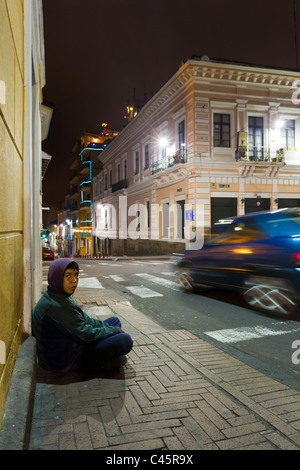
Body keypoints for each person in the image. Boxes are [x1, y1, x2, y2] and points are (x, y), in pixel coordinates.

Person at [32, 258, 133, 373]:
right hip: (65, 360)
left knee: (114, 321)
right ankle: (100, 362)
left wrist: (110, 329)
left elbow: (86, 320)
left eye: (76, 275)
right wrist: (114, 331)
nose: (74, 280)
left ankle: (108, 357)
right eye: (68, 276)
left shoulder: (58, 294)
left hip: (72, 342)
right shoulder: (56, 305)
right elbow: (85, 334)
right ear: (57, 277)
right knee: (125, 340)